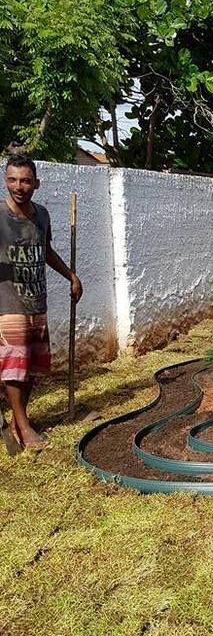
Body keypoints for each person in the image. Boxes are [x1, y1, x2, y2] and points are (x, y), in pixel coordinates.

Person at [1, 154, 83, 450]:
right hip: (8, 304)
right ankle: (24, 427)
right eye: (12, 180)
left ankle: (16, 421)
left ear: (36, 183)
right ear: (5, 180)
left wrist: (70, 276)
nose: (18, 186)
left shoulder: (42, 215)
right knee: (14, 368)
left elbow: (45, 250)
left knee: (32, 368)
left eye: (24, 180)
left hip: (37, 301)